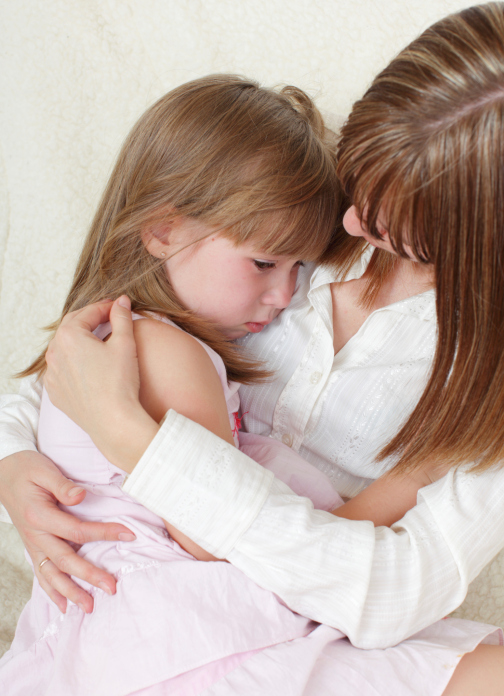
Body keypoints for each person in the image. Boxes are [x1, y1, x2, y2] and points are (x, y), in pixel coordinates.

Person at [2, 3, 504, 694]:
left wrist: (133, 442)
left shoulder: (275, 265)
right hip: (181, 611)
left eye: (398, 228)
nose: (350, 220)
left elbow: (394, 589)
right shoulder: (282, 221)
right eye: (360, 179)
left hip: (313, 599)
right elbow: (65, 380)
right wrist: (13, 459)